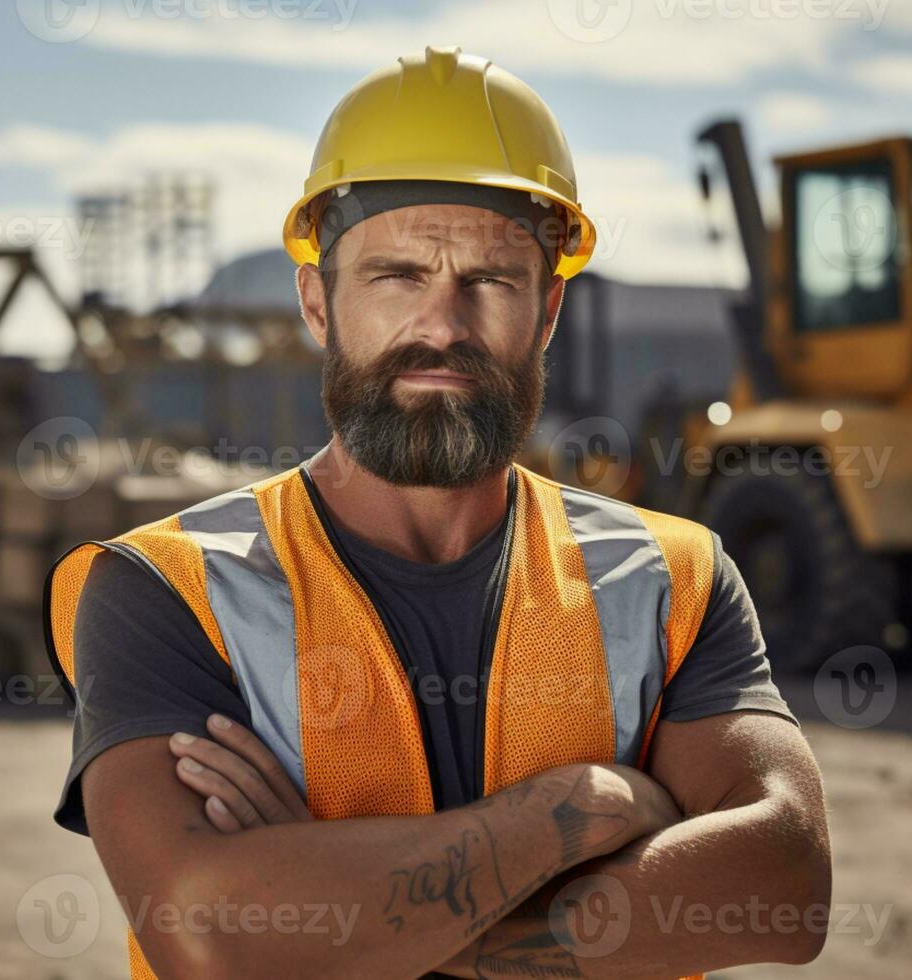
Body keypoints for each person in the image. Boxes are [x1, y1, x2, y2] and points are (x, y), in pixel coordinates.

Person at [44, 45, 831, 980]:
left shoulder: (671, 580)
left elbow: (786, 890)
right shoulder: (167, 590)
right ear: (317, 303)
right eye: (397, 277)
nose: (443, 327)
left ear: (546, 313)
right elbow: (210, 936)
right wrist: (587, 808)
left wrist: (348, 917)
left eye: (490, 282)